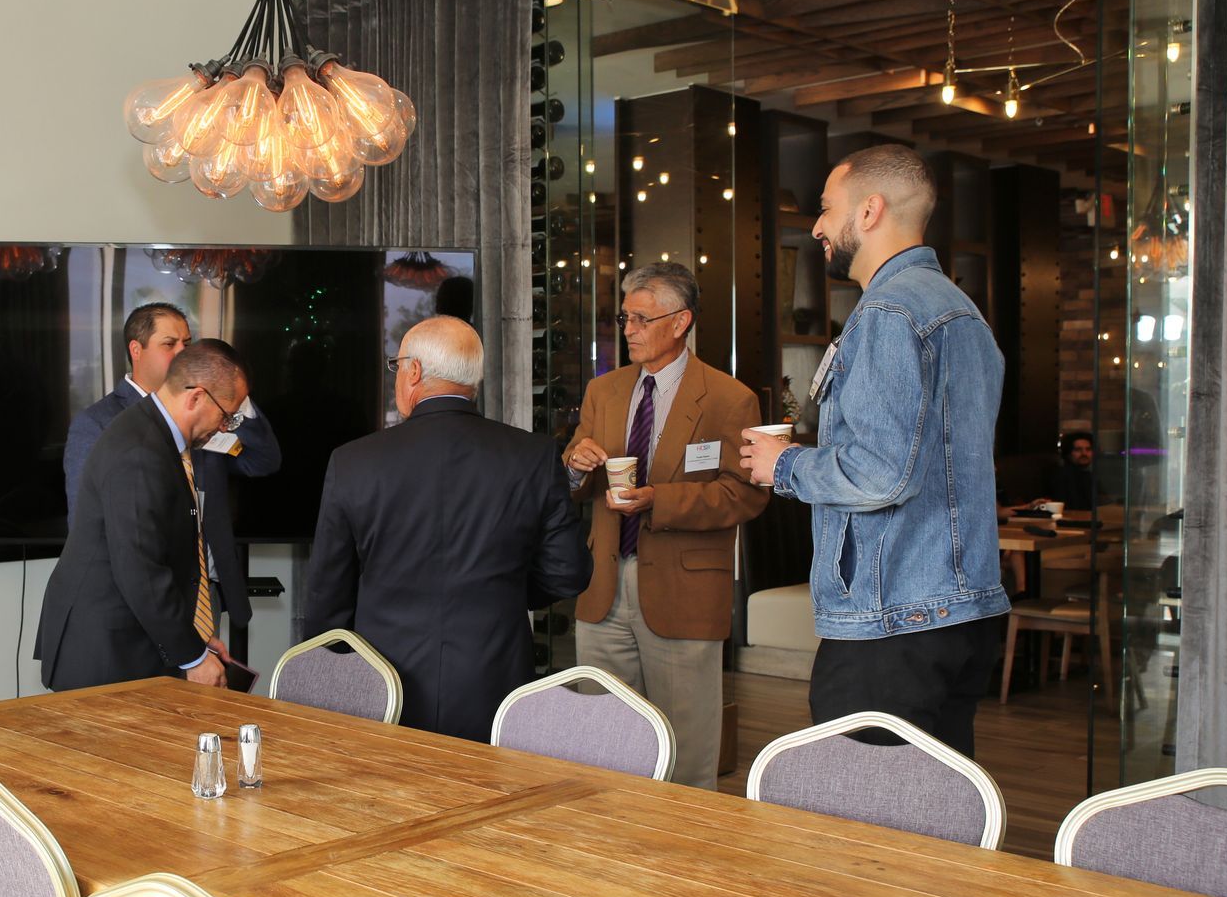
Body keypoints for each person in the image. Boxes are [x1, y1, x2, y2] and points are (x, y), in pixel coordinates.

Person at [741, 145, 1008, 757]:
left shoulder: (889, 311)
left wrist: (780, 464)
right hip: (960, 612)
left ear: (869, 211)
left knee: (866, 830)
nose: (815, 227)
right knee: (937, 811)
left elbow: (881, 475)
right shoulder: (962, 311)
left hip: (894, 618)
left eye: (825, 209)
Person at [304, 316, 591, 742]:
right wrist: (503, 590)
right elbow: (568, 571)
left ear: (414, 371)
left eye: (396, 366)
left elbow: (328, 593)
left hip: (382, 680)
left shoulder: (353, 461)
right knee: (487, 801)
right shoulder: (533, 455)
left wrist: (327, 683)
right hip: (494, 677)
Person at [561, 263, 768, 789]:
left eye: (640, 318)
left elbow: (743, 493)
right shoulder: (603, 390)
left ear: (680, 322)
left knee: (686, 748)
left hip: (684, 589)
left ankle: (689, 859)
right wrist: (573, 465)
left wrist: (660, 501)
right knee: (601, 740)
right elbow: (576, 477)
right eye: (623, 316)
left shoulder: (729, 398)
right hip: (604, 586)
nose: (627, 329)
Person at [37, 340, 250, 691]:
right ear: (196, 397)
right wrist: (192, 657)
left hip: (131, 639)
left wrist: (193, 640)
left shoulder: (153, 434)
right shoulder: (140, 450)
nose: (225, 428)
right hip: (106, 652)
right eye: (226, 415)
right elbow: (141, 567)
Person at [63, 304, 280, 644]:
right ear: (137, 350)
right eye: (170, 343)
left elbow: (263, 461)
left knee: (204, 691)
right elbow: (87, 527)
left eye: (187, 343)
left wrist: (233, 392)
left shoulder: (210, 412)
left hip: (207, 589)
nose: (183, 352)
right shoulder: (98, 424)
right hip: (143, 596)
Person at [1048, 430, 1096, 512]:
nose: (1084, 453)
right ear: (1068, 453)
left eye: (1088, 449)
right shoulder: (1063, 476)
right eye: (1078, 450)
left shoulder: (1088, 475)